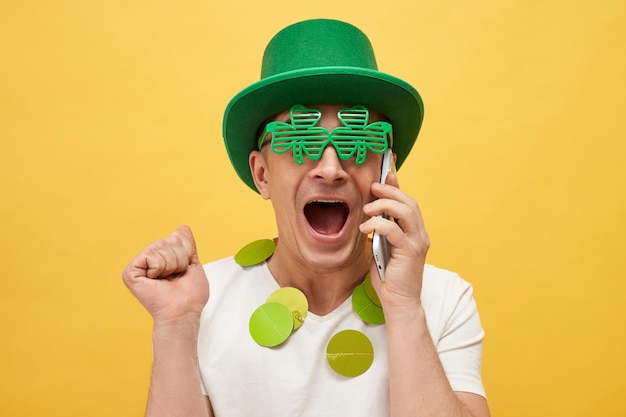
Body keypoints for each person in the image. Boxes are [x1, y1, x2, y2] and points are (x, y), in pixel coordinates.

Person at [122, 19, 490, 417]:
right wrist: (176, 326)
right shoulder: (200, 300)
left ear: (386, 173)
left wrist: (403, 307)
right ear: (262, 174)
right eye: (301, 139)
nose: (330, 168)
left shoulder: (442, 299)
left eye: (357, 139)